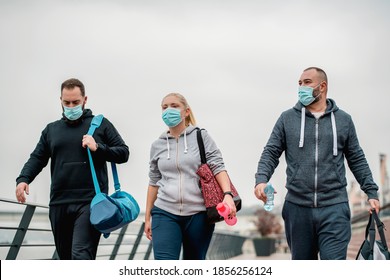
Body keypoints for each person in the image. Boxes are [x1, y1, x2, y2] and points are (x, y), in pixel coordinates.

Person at [254, 67, 380, 260]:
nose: (301, 87)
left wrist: (371, 191)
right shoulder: (287, 119)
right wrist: (261, 180)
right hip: (297, 208)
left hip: (334, 207)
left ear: (322, 87)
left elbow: (356, 158)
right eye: (299, 83)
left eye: (307, 82)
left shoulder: (344, 120)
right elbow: (271, 152)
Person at [15, 78, 129, 260]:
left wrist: (98, 147)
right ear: (60, 100)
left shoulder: (100, 124)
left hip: (91, 203)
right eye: (66, 102)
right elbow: (37, 158)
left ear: (85, 100)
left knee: (81, 255)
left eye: (75, 102)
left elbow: (123, 153)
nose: (71, 106)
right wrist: (23, 179)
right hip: (59, 203)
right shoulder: (51, 130)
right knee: (66, 258)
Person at [144, 92, 236, 260]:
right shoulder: (157, 145)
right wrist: (147, 217)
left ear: (186, 112)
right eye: (164, 107)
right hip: (165, 212)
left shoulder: (201, 136)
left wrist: (227, 195)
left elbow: (218, 166)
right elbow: (154, 181)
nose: (168, 110)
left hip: (199, 215)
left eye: (174, 106)